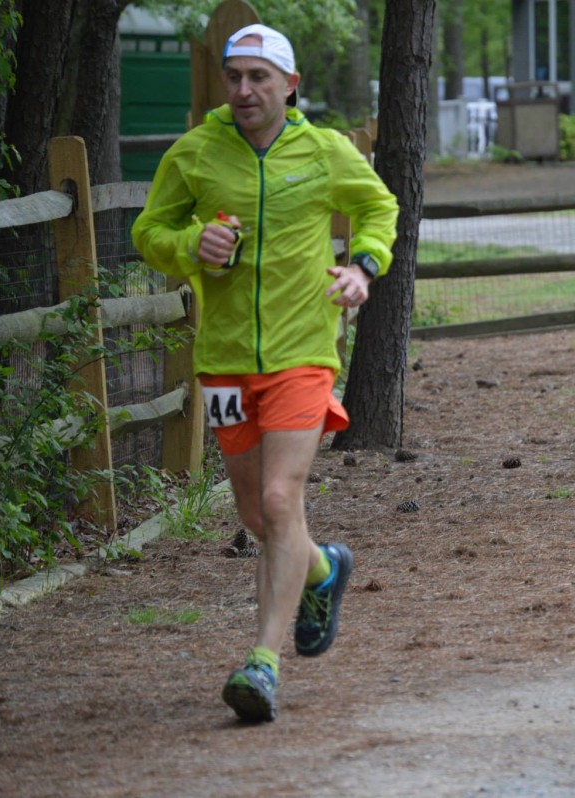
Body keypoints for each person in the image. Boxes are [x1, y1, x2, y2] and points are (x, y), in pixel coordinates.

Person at [132, 23, 398, 723]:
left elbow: (378, 205)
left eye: (258, 77)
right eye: (234, 77)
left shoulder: (324, 151)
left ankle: (263, 661)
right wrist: (192, 243)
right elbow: (147, 233)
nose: (244, 90)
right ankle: (322, 568)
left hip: (302, 353)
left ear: (289, 85)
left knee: (281, 502)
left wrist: (363, 266)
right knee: (256, 516)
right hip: (222, 365)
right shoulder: (195, 152)